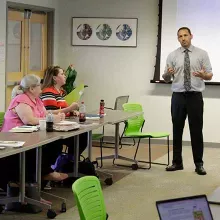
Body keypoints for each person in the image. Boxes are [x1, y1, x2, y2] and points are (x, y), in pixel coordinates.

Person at [0, 74, 68, 191]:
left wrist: (56, 115)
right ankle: (32, 178)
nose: (41, 87)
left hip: (31, 136)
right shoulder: (21, 100)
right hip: (15, 139)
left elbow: (46, 113)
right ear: (31, 88)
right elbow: (29, 120)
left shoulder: (37, 100)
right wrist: (51, 119)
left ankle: (41, 173)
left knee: (56, 144)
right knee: (41, 149)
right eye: (38, 85)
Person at [162, 27, 213, 175]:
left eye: (185, 35)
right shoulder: (172, 55)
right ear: (178, 39)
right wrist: (167, 73)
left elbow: (209, 75)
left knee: (196, 130)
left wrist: (204, 75)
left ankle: (199, 164)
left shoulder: (202, 54)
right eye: (180, 36)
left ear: (191, 36)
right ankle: (177, 162)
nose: (183, 38)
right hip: (178, 96)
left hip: (195, 96)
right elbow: (166, 79)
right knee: (177, 129)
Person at [40, 66, 87, 158]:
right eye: (62, 74)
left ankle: (70, 161)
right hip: (54, 129)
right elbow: (50, 113)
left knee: (83, 136)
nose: (65, 76)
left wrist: (72, 111)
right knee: (80, 138)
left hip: (63, 124)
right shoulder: (48, 92)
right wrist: (69, 109)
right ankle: (69, 162)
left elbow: (62, 109)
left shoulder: (61, 92)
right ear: (54, 78)